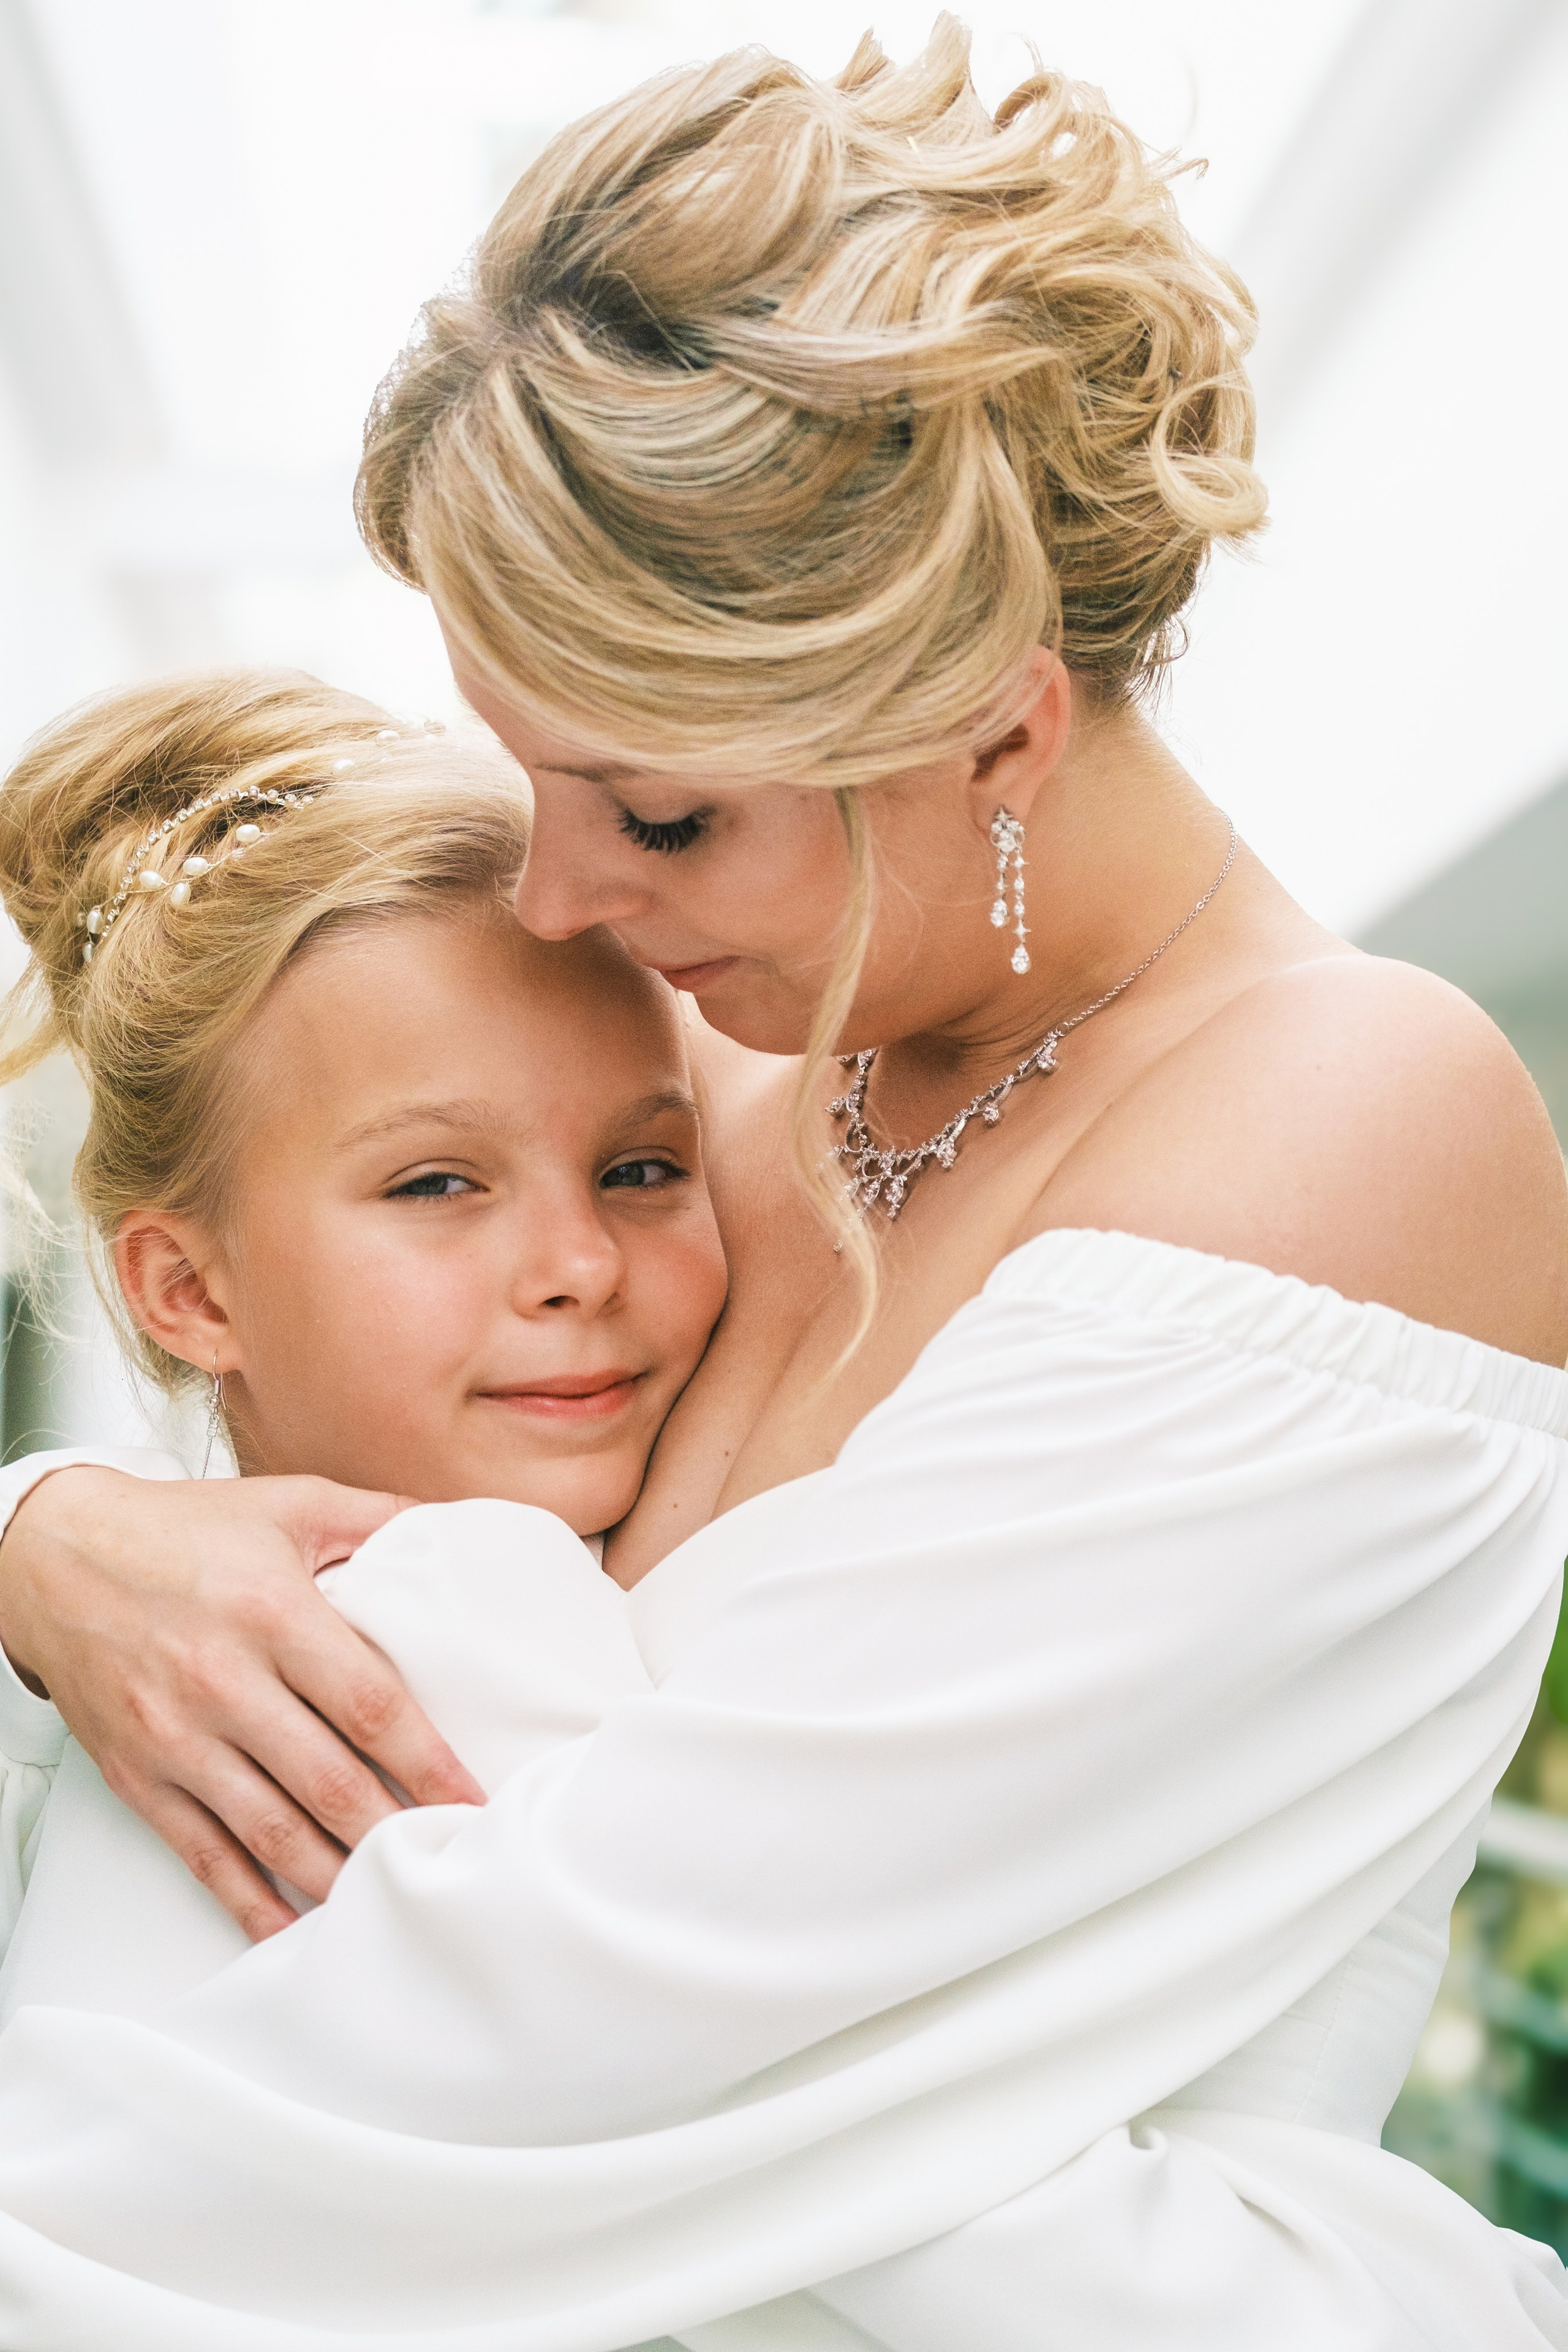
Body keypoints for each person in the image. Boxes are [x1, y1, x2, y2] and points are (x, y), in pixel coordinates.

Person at [0, 22, 1564, 2348]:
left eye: (655, 815)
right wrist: (54, 1534)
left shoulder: (1349, 1115)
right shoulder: (717, 1105)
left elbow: (610, 2024)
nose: (548, 900)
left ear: (996, 728)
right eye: (529, 776)